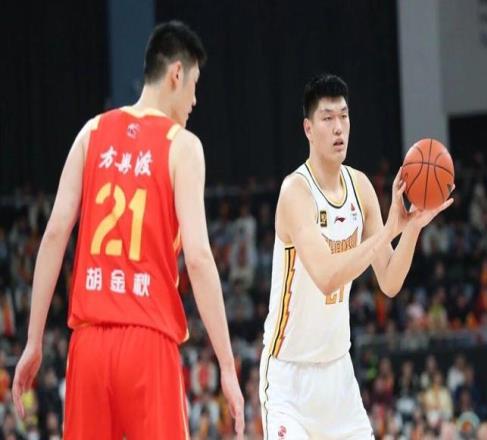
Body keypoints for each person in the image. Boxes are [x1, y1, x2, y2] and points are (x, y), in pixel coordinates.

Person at [12, 21, 244, 439]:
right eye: (194, 85)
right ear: (176, 73)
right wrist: (227, 366)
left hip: (88, 346)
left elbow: (55, 233)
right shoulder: (183, 146)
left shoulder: (91, 132)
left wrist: (33, 341)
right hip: (148, 342)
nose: (194, 100)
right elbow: (198, 257)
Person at [259, 74, 453, 439]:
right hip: (289, 377)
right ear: (308, 129)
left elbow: (390, 281)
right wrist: (388, 231)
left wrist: (411, 227)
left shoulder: (360, 187)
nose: (338, 128)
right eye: (327, 118)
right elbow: (327, 277)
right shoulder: (296, 192)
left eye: (344, 116)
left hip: (339, 377)